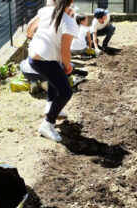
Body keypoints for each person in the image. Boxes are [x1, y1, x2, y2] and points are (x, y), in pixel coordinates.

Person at [27, 0, 78, 142]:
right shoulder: (68, 21)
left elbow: (30, 29)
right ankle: (47, 124)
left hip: (32, 59)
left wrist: (33, 42)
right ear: (72, 2)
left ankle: (50, 105)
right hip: (44, 63)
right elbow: (65, 53)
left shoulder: (46, 10)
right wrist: (68, 67)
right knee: (66, 92)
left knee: (56, 73)